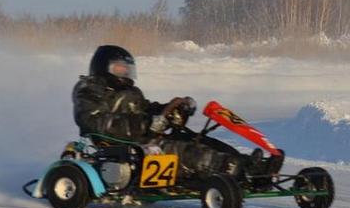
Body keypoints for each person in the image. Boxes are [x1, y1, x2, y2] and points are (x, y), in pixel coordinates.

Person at [72, 45, 244, 182]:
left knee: (195, 140)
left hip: (143, 138)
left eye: (127, 69)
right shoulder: (89, 91)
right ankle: (227, 168)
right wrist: (145, 123)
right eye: (120, 68)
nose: (125, 72)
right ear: (104, 67)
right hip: (119, 145)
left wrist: (170, 110)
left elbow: (146, 109)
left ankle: (245, 163)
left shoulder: (131, 92)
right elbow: (93, 121)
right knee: (177, 150)